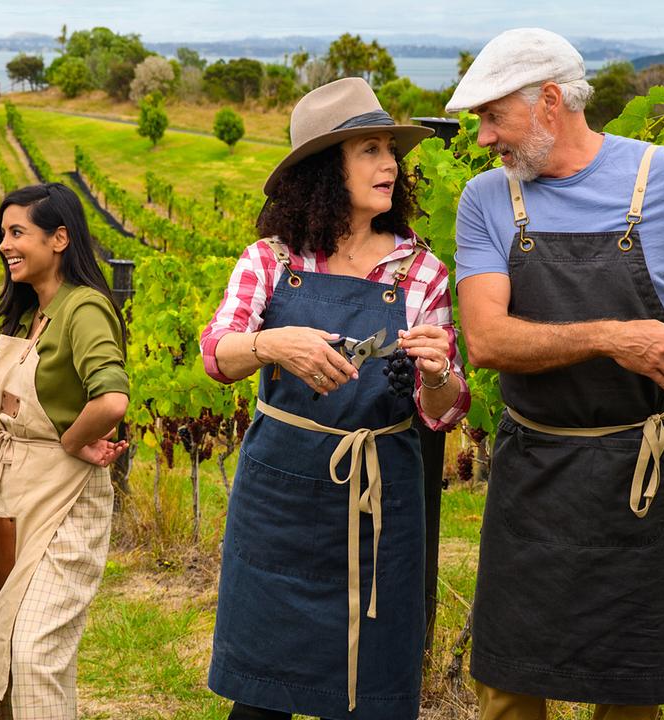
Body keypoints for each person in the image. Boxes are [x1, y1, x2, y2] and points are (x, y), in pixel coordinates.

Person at [449, 28, 664, 720]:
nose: (483, 138)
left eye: (492, 116)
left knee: (632, 684)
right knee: (509, 681)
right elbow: (487, 340)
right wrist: (612, 337)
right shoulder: (486, 199)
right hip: (534, 471)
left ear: (550, 100)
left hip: (645, 475)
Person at [200, 77, 471, 719]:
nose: (389, 164)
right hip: (279, 503)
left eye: (390, 150)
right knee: (259, 702)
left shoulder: (421, 271)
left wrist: (437, 372)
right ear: (326, 170)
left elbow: (443, 409)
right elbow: (216, 354)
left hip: (380, 507)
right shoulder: (271, 261)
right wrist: (271, 343)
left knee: (369, 693)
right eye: (369, 150)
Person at [0, 183, 129, 720]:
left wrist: (72, 440)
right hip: (13, 493)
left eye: (17, 232)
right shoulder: (29, 314)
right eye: (2, 234)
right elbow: (8, 421)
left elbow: (111, 400)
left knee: (36, 650)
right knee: (8, 642)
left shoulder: (83, 309)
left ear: (59, 238)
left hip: (65, 500)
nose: (4, 245)